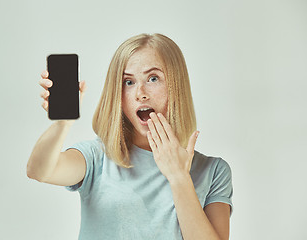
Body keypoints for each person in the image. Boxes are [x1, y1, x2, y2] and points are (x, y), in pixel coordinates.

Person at [27, 33, 233, 240]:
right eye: (128, 82)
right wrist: (63, 122)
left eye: (153, 78)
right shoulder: (96, 158)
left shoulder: (214, 172)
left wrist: (179, 177)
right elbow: (39, 171)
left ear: (176, 86)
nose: (140, 93)